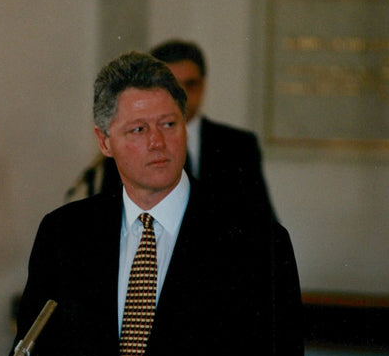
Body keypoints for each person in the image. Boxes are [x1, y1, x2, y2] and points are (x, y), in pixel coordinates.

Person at [12, 52, 305, 356]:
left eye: (169, 124)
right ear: (104, 141)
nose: (158, 142)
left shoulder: (255, 241)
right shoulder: (64, 233)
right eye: (137, 130)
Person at [85, 39, 276, 221]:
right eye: (174, 85)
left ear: (203, 85)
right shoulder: (127, 147)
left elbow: (262, 216)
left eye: (190, 84)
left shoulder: (238, 144)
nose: (183, 93)